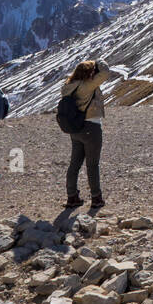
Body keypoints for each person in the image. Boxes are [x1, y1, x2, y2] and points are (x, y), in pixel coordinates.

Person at [61, 59, 107, 209]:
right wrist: (99, 61)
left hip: (76, 129)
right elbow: (106, 73)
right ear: (89, 73)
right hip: (91, 127)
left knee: (74, 164)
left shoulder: (68, 86)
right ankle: (96, 198)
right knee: (92, 165)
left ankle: (72, 197)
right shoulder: (86, 86)